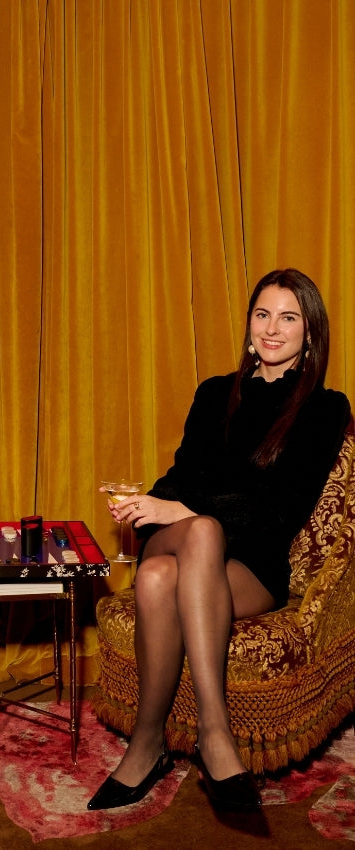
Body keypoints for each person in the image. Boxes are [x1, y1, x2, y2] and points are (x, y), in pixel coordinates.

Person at [88, 268, 351, 812]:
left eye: (288, 317)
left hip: (255, 563)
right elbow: (182, 477)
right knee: (198, 532)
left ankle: (147, 744)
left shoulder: (325, 409)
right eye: (262, 314)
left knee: (157, 577)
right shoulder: (213, 394)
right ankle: (216, 732)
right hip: (186, 538)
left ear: (311, 333)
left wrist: (182, 509)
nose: (272, 329)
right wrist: (150, 503)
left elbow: (281, 505)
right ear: (249, 323)